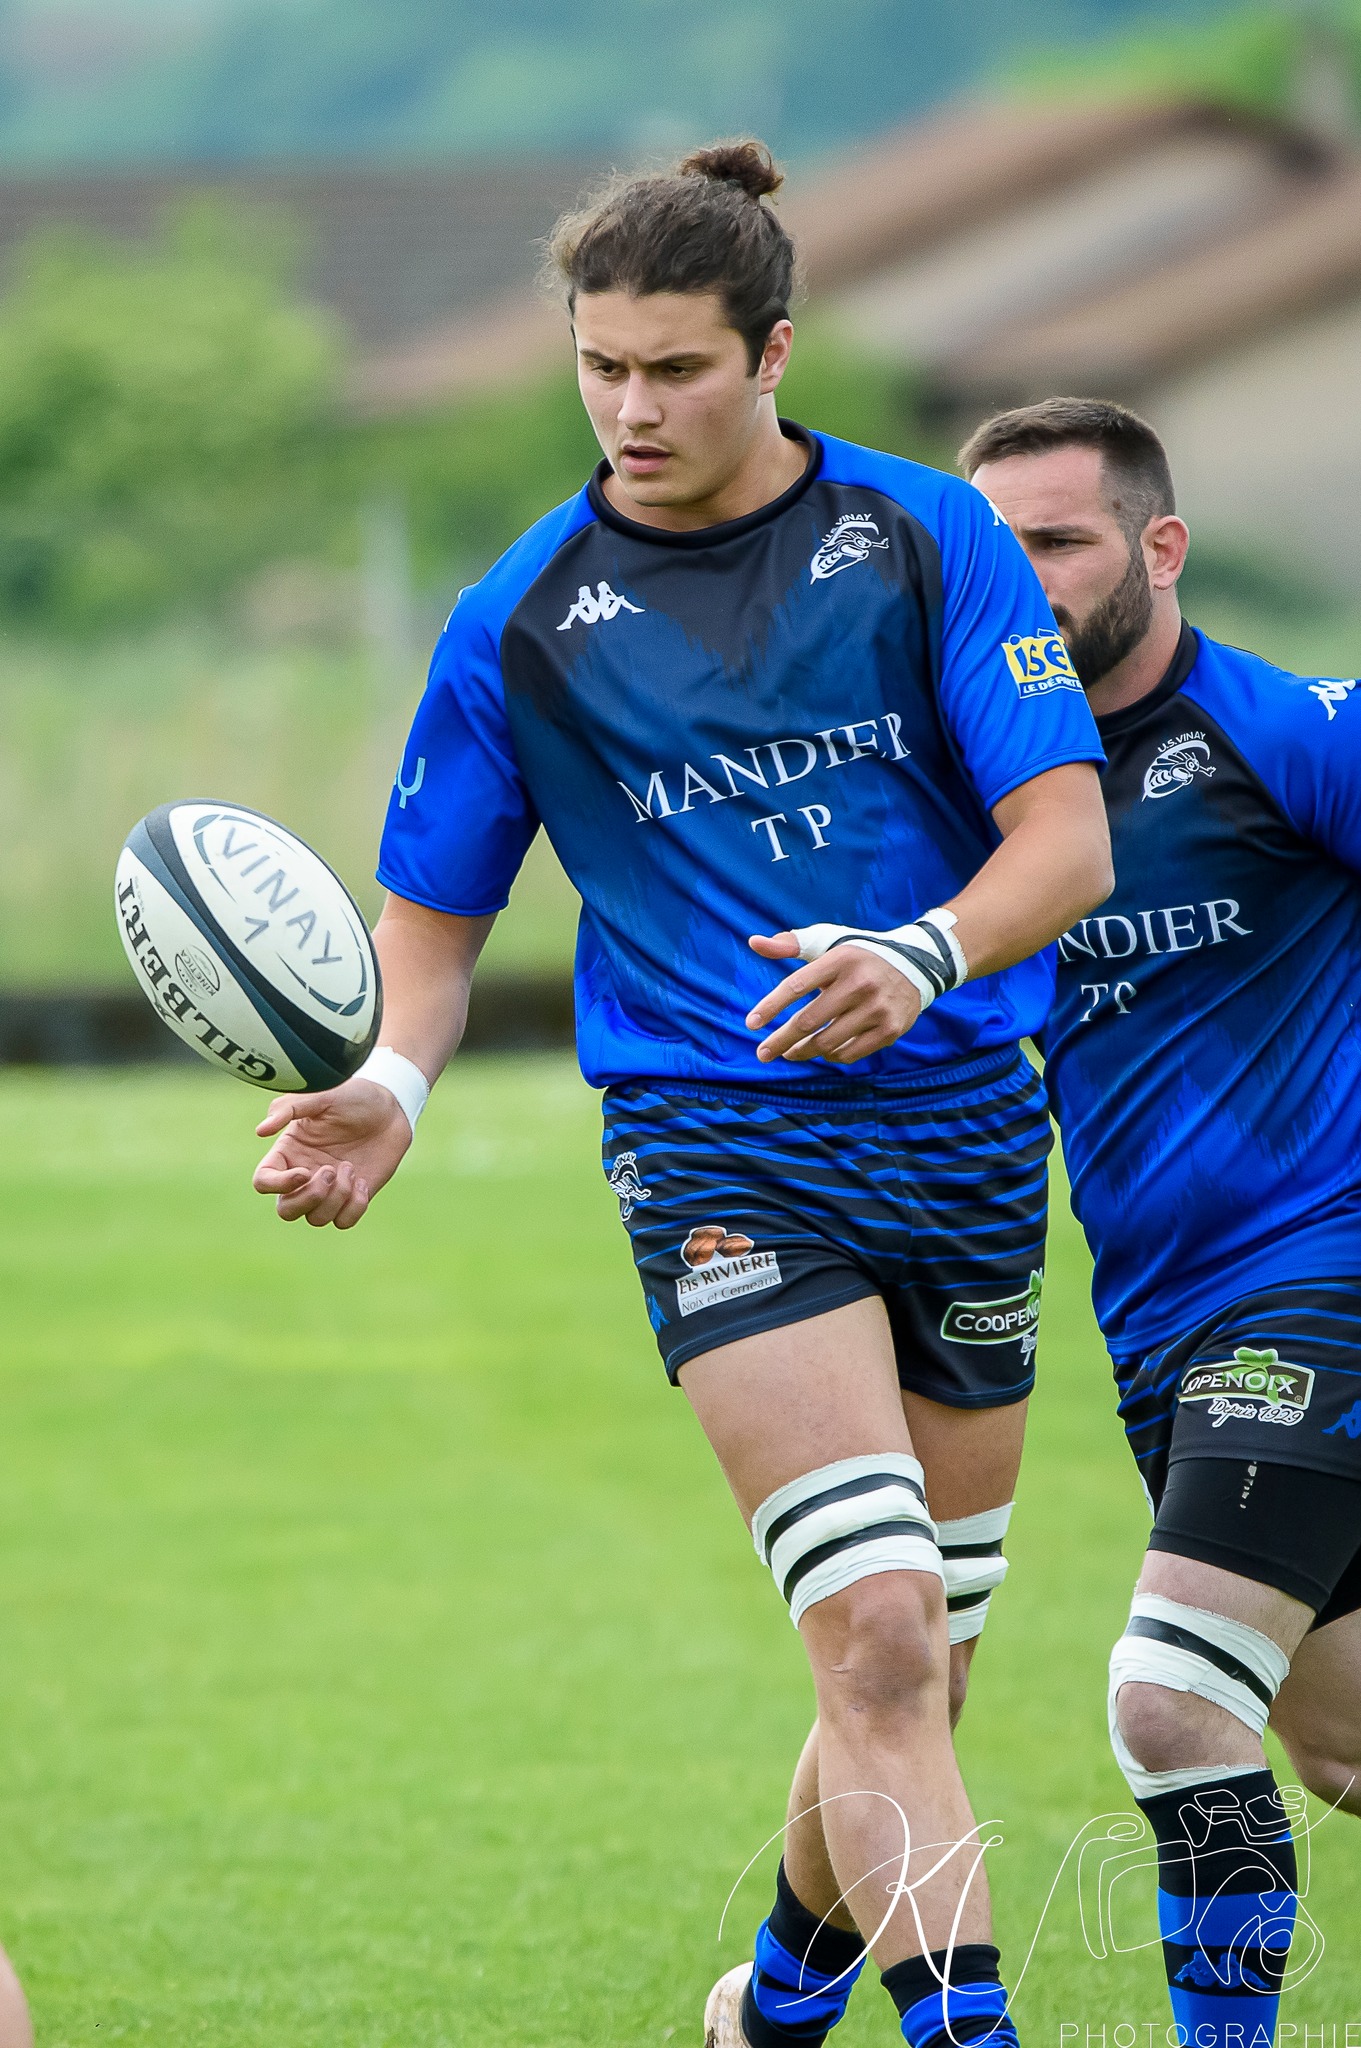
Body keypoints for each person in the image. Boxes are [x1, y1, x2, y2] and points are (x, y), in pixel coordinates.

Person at [252, 145, 1111, 2048]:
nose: (631, 410)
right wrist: (394, 1077)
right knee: (876, 1637)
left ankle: (772, 2017)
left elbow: (1067, 843)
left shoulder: (922, 543)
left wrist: (921, 955)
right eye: (599, 369)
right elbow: (438, 922)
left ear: (774, 353)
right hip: (721, 1150)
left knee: (920, 1683)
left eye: (674, 370)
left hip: (969, 1130)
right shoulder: (521, 623)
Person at [950, 399, 1361, 2045]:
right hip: (1166, 1329)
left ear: (1159, 548)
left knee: (1176, 1698)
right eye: (999, 552)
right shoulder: (996, 794)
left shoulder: (1289, 734)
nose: (1026, 582)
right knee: (1335, 1748)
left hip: (1323, 1282)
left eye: (1060, 542)